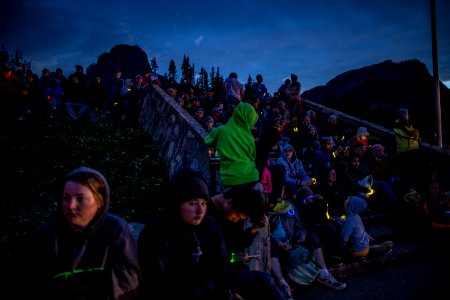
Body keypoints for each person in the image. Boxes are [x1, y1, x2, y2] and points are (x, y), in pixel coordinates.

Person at [19, 167, 140, 299]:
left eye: (80, 199)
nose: (71, 206)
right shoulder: (44, 236)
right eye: (66, 198)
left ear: (99, 201)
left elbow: (126, 284)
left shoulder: (117, 231)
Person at [137, 168, 231, 300]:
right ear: (177, 203)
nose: (200, 210)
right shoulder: (157, 232)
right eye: (192, 203)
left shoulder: (210, 227)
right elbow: (154, 281)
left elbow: (221, 269)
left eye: (203, 204)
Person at [208, 185, 287, 300]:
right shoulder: (208, 218)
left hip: (231, 268)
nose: (236, 220)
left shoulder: (230, 214)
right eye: (237, 217)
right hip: (220, 275)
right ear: (229, 203)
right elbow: (213, 258)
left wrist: (254, 229)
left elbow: (234, 244)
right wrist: (232, 257)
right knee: (264, 281)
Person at [204, 102, 260, 188]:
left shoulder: (221, 130)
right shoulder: (249, 137)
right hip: (252, 178)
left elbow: (207, 140)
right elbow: (253, 156)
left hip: (232, 180)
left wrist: (212, 130)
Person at [339, 195, 394, 260]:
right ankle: (375, 249)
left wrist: (340, 247)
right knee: (362, 244)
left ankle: (371, 253)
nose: (344, 204)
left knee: (345, 247)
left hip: (357, 251)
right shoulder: (356, 216)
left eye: (346, 203)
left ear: (351, 206)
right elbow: (361, 230)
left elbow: (343, 237)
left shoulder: (349, 221)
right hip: (365, 245)